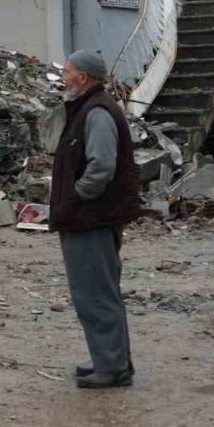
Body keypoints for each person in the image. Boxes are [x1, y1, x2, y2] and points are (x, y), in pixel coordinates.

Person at [52, 50, 140, 388]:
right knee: (95, 290)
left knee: (95, 293)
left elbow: (101, 167)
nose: (64, 76)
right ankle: (110, 359)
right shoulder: (87, 108)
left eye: (69, 71)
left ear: (83, 78)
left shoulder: (97, 112)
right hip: (87, 217)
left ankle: (113, 367)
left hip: (91, 219)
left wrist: (76, 197)